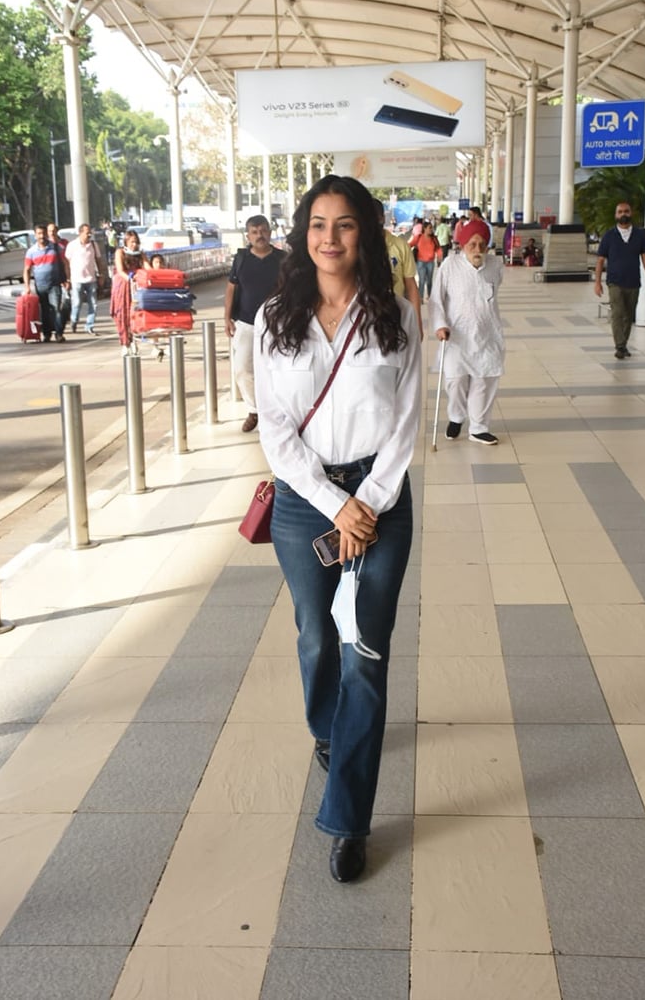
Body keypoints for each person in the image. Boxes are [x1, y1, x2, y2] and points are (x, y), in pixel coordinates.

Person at [253, 174, 421, 883]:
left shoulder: (400, 314)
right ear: (303, 233)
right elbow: (276, 429)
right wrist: (333, 504)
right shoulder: (274, 317)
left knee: (366, 653)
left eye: (345, 224)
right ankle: (328, 727)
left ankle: (348, 819)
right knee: (317, 633)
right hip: (304, 501)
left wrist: (369, 502)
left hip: (382, 501)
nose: (330, 237)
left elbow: (409, 422)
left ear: (366, 233)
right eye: (318, 224)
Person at [429, 217, 505, 445]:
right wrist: (440, 324)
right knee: (456, 381)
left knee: (485, 381)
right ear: (462, 245)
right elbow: (436, 299)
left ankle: (479, 427)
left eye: (482, 244)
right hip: (456, 336)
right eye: (472, 244)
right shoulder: (449, 266)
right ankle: (455, 417)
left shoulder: (495, 265)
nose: (478, 249)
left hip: (487, 334)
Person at [224, 215, 285, 432]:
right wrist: (227, 317)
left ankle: (277, 411)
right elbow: (231, 288)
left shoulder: (282, 259)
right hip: (246, 322)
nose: (260, 235)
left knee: (277, 368)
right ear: (248, 236)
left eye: (263, 230)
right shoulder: (241, 259)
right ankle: (254, 409)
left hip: (277, 323)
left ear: (270, 232)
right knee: (242, 368)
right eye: (255, 232)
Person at [594, 201, 645, 359]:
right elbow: (600, 260)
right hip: (615, 282)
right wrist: (597, 282)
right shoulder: (609, 236)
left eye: (626, 211)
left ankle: (623, 344)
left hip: (634, 281)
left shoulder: (639, 235)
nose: (623, 214)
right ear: (616, 215)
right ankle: (619, 346)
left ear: (631, 213)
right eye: (620, 212)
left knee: (629, 315)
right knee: (617, 313)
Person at [373, 198, 422, 339]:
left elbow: (411, 287)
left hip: (396, 318)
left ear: (382, 219)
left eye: (373, 218)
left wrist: (417, 324)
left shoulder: (400, 246)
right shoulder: (354, 248)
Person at [23, 223, 70, 343]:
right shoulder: (31, 251)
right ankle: (47, 334)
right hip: (40, 286)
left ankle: (59, 334)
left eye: (43, 233)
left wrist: (68, 279)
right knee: (44, 311)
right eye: (39, 233)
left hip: (54, 284)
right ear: (35, 235)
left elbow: (65, 263)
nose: (42, 236)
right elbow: (27, 270)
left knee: (56, 310)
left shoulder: (56, 248)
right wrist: (27, 287)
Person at [110, 228, 150, 354]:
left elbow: (147, 266)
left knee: (135, 314)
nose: (134, 245)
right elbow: (120, 270)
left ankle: (133, 340)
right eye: (132, 242)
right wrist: (130, 278)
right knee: (123, 315)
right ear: (126, 242)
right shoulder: (120, 252)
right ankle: (125, 343)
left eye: (136, 242)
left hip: (136, 286)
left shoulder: (140, 253)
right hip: (123, 285)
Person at [65, 223, 103, 335]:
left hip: (91, 279)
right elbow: (66, 263)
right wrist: (68, 278)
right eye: (87, 232)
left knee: (93, 304)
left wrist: (101, 275)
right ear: (80, 233)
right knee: (77, 303)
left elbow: (98, 260)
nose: (89, 234)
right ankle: (74, 321)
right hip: (77, 279)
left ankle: (89, 325)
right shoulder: (72, 245)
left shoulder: (93, 245)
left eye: (90, 232)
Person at [410, 220, 442, 301]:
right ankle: (420, 297)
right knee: (421, 280)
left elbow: (438, 249)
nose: (431, 230)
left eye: (432, 228)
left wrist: (439, 257)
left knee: (429, 281)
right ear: (424, 228)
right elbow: (409, 244)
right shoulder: (418, 237)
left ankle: (430, 296)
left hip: (430, 262)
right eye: (430, 228)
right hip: (420, 262)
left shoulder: (434, 239)